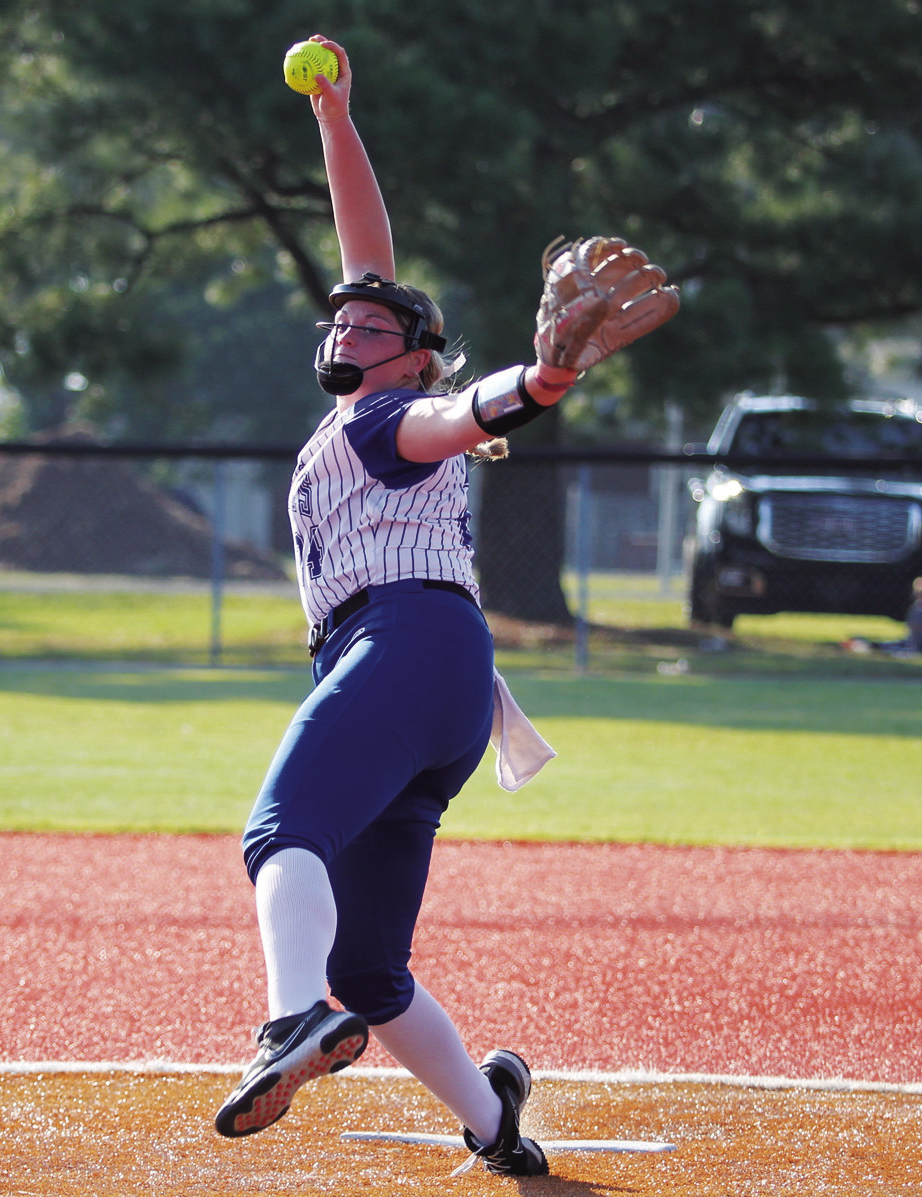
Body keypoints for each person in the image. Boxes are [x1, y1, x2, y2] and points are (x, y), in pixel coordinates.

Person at [212, 36, 678, 1176]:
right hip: (433, 685)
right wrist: (333, 118)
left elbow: (453, 416)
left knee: (282, 831)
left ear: (415, 357)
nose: (345, 327)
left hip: (407, 647)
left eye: (370, 328)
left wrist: (543, 382)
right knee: (372, 971)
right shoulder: (365, 393)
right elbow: (364, 257)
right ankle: (498, 1122)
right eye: (340, 321)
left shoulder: (393, 416)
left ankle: (289, 1026)